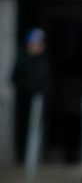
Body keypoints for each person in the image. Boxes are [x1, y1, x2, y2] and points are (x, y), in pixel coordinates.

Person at [10, 28, 50, 160]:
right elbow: (15, 79)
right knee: (24, 132)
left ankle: (38, 157)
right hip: (25, 104)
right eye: (34, 44)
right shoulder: (22, 61)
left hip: (40, 104)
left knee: (39, 131)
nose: (37, 47)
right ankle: (23, 158)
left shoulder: (44, 61)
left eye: (39, 44)